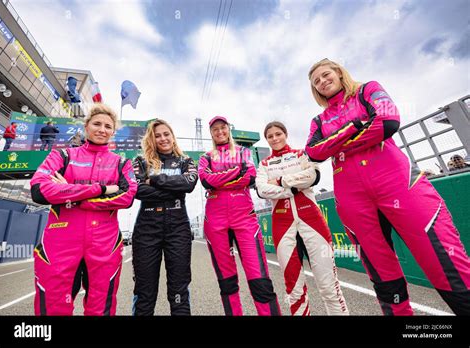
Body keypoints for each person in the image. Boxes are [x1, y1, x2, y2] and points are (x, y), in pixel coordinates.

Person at [305, 58, 470, 315]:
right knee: (383, 277)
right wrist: (356, 127)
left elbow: (388, 122)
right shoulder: (318, 120)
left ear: (338, 73)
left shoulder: (366, 90)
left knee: (446, 264)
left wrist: (337, 143)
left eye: (325, 75)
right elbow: (313, 152)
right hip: (352, 200)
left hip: (400, 185)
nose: (322, 82)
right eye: (316, 82)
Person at [30, 103, 138, 315]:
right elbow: (39, 190)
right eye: (97, 124)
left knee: (100, 309)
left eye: (108, 126)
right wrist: (101, 189)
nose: (102, 129)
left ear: (113, 132)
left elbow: (127, 197)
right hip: (59, 243)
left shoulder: (121, 163)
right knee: (54, 307)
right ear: (86, 127)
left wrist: (71, 195)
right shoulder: (62, 156)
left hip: (105, 244)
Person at [256, 121, 349, 316]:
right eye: (270, 136)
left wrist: (282, 182)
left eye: (278, 134)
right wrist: (294, 190)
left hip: (312, 222)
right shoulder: (264, 164)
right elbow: (262, 190)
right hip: (282, 227)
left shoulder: (301, 154)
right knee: (294, 289)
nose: (275, 138)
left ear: (285, 134)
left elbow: (313, 176)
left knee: (329, 286)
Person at [198, 115, 281, 316]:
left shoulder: (244, 151)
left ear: (229, 129)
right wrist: (235, 173)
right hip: (215, 221)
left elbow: (249, 176)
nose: (220, 132)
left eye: (223, 128)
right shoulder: (206, 157)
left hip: (244, 218)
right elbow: (206, 181)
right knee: (227, 282)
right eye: (215, 129)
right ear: (211, 133)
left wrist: (220, 180)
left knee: (259, 279)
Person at [131, 119, 198, 316]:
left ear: (172, 135)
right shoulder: (141, 161)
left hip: (178, 228)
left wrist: (156, 179)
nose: (163, 138)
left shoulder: (186, 161)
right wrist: (173, 189)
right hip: (146, 229)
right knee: (145, 291)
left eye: (166, 134)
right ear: (151, 139)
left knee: (179, 290)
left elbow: (188, 184)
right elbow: (138, 190)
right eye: (157, 135)